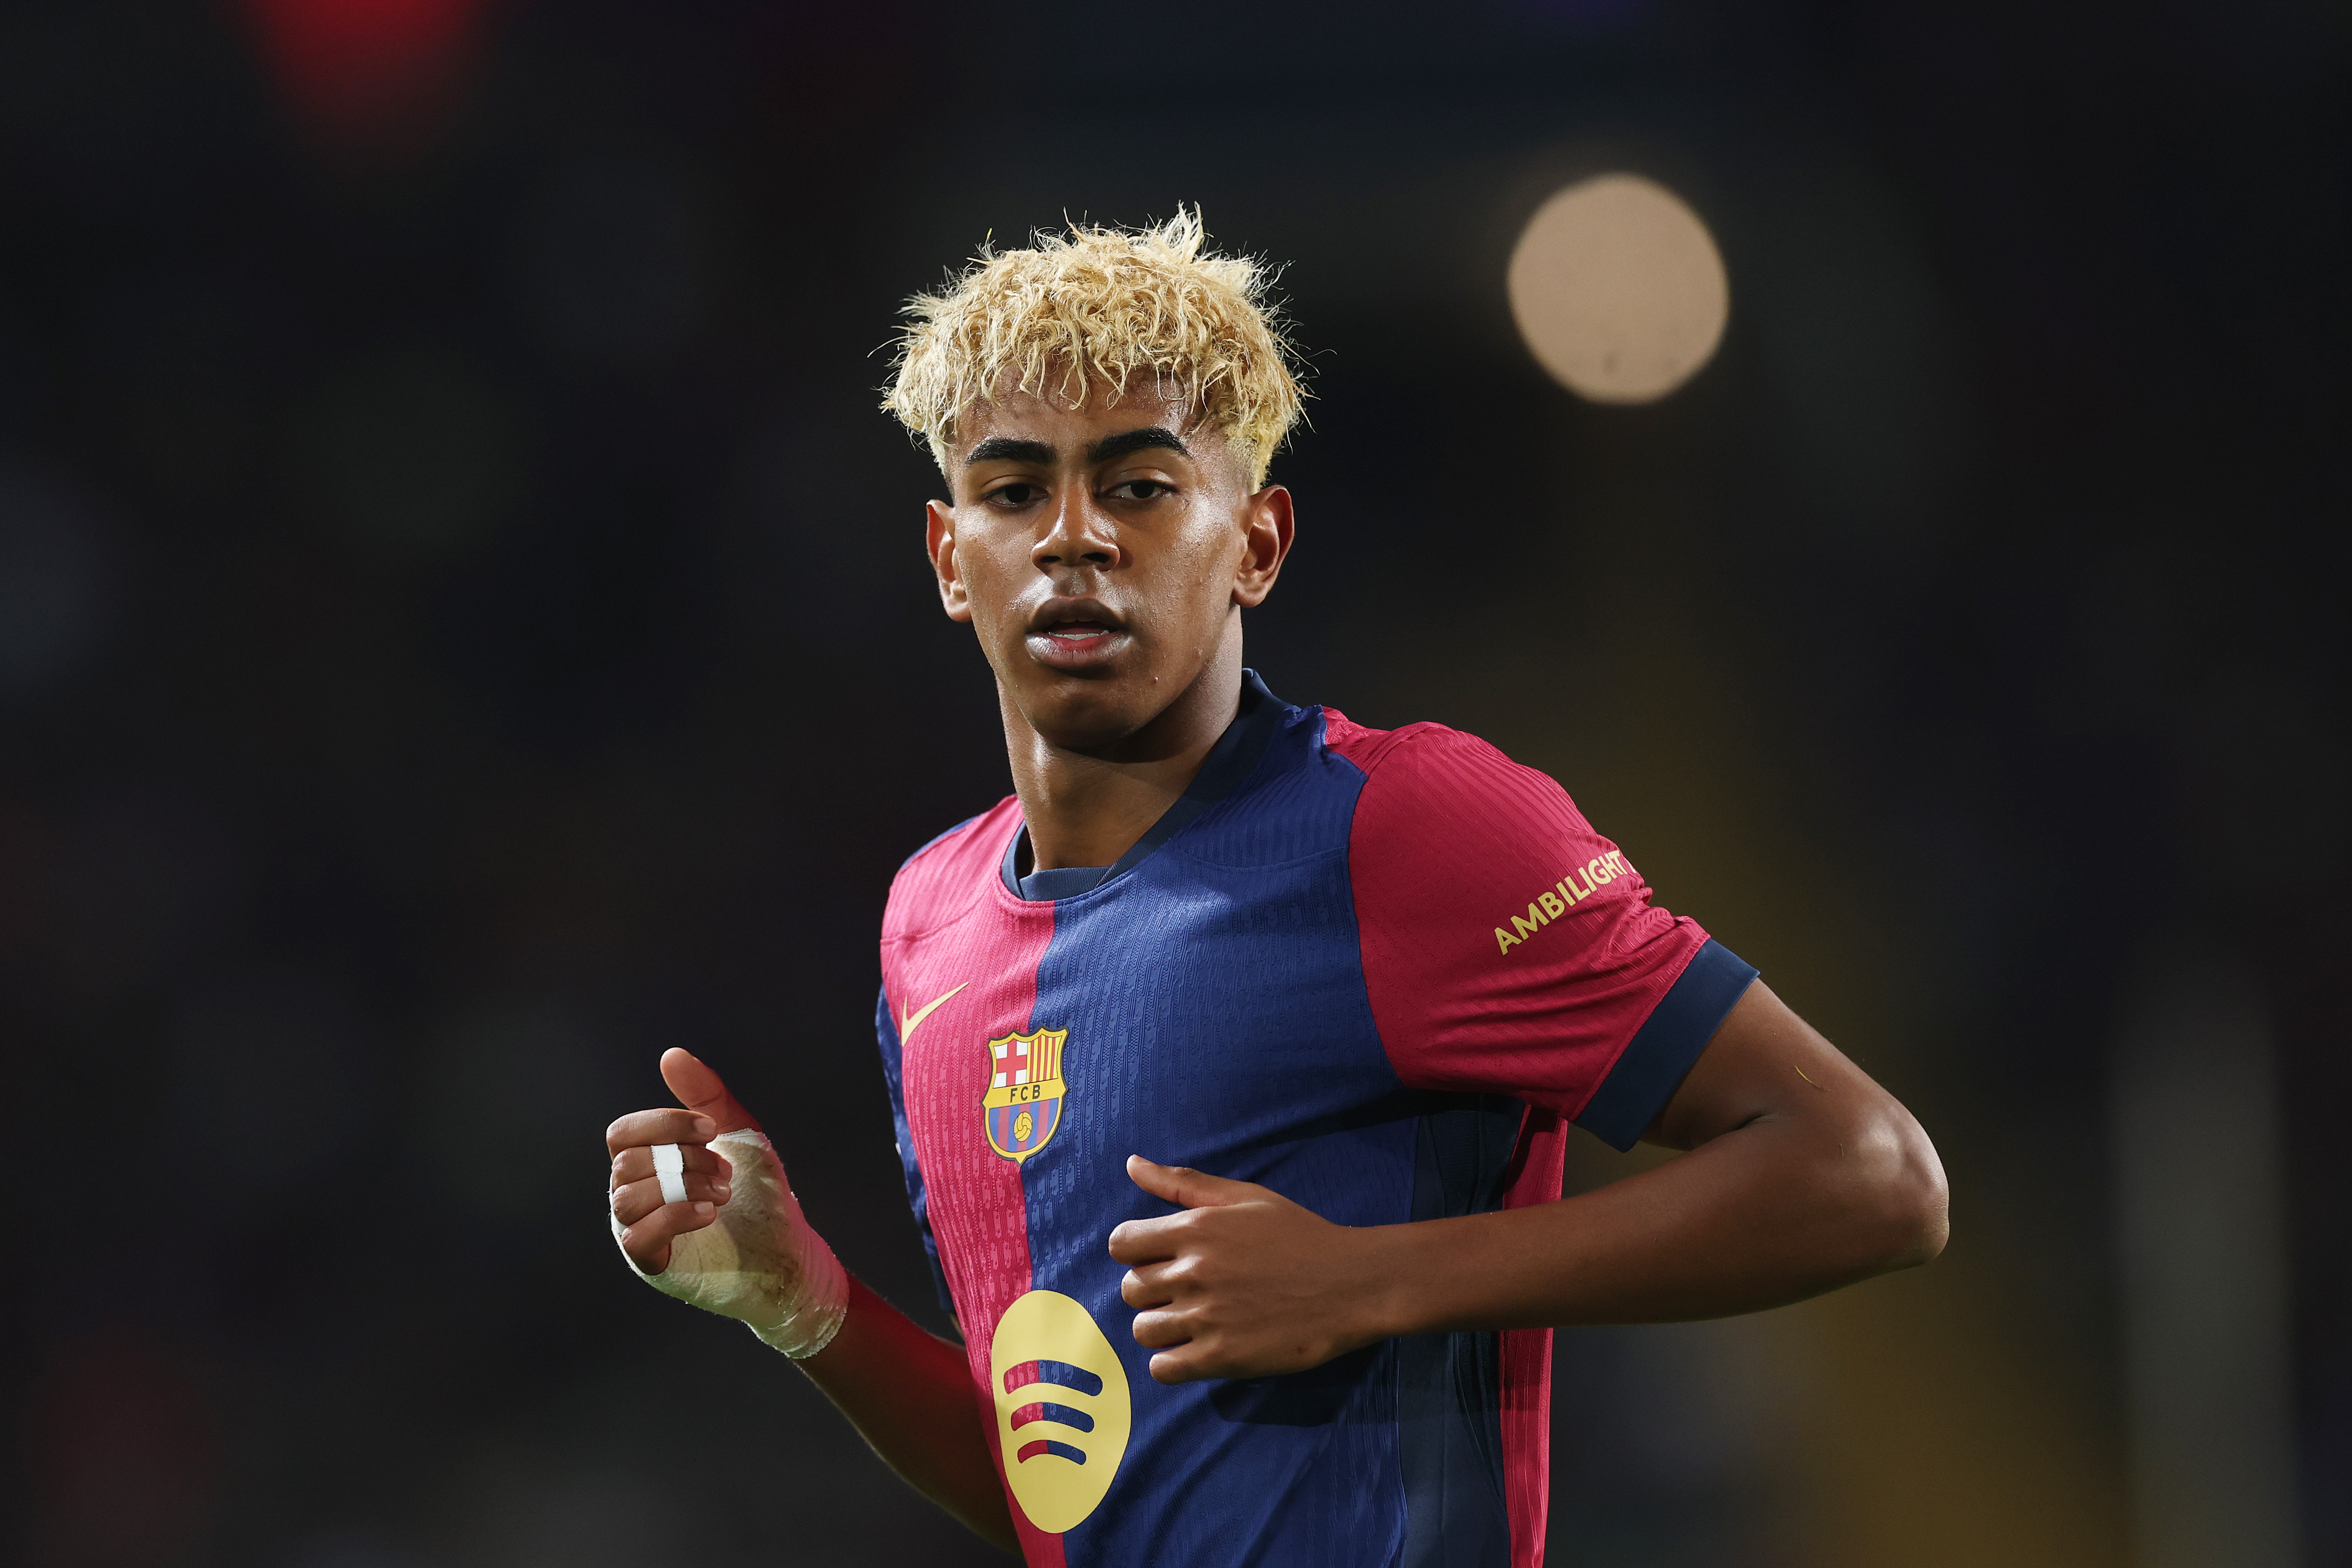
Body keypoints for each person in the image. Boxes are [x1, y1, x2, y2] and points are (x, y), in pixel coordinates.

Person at [604, 211, 1947, 1568]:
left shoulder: (1405, 825)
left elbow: (1873, 1172)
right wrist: (803, 1299)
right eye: (1014, 492)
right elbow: (1059, 1491)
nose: (1074, 538)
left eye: (1139, 486)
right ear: (953, 560)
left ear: (1257, 540)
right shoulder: (927, 924)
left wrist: (1367, 1280)